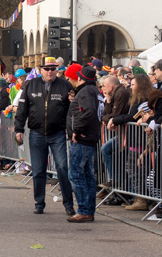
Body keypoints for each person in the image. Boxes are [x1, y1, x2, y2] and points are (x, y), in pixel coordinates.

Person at [15, 56, 75, 216]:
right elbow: (22, 109)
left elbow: (72, 110)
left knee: (62, 167)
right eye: (47, 69)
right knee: (38, 170)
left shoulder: (65, 85)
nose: (50, 72)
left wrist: (72, 129)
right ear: (40, 70)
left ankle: (68, 204)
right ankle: (39, 203)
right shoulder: (31, 85)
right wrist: (18, 129)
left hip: (58, 133)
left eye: (53, 68)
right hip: (37, 133)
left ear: (57, 70)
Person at [106, 72, 153, 210]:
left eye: (133, 85)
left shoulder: (142, 98)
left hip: (139, 139)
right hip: (136, 138)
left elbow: (132, 117)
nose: (131, 87)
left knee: (135, 168)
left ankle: (141, 199)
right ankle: (138, 197)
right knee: (132, 167)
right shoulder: (137, 97)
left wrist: (114, 119)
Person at [66, 65, 101, 223]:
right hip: (88, 137)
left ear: (80, 78)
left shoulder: (86, 91)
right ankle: (88, 209)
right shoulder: (93, 91)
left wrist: (76, 129)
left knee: (76, 173)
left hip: (82, 138)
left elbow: (89, 111)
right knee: (87, 175)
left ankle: (84, 209)